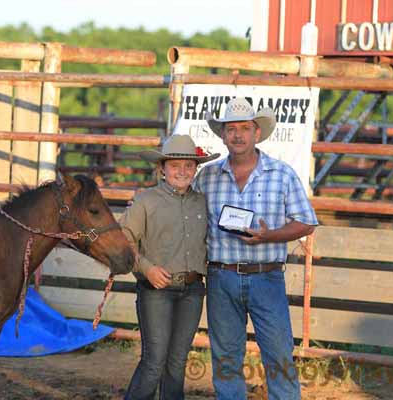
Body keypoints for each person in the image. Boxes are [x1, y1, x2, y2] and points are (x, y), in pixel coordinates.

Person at [195, 98, 318, 399]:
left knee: (278, 356)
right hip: (221, 276)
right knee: (226, 360)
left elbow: (306, 223)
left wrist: (269, 236)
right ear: (222, 135)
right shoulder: (207, 177)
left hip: (266, 277)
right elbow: (188, 217)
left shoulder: (281, 173)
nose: (238, 135)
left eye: (245, 128)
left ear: (257, 133)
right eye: (231, 129)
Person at [121, 134, 220, 400]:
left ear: (195, 169)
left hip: (192, 289)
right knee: (154, 361)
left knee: (177, 362)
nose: (182, 171)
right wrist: (146, 268)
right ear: (162, 169)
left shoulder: (201, 201)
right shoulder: (146, 201)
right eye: (175, 165)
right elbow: (124, 239)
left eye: (189, 166)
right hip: (157, 289)